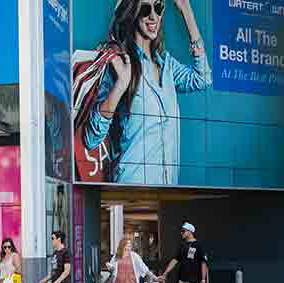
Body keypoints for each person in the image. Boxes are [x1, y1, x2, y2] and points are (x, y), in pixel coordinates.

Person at [85, 0, 211, 185]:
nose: (153, 16)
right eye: (145, 9)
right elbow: (92, 137)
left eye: (158, 7)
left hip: (168, 188)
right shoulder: (119, 63)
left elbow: (203, 78)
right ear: (132, 13)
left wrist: (186, 11)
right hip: (130, 188)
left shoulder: (167, 65)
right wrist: (121, 84)